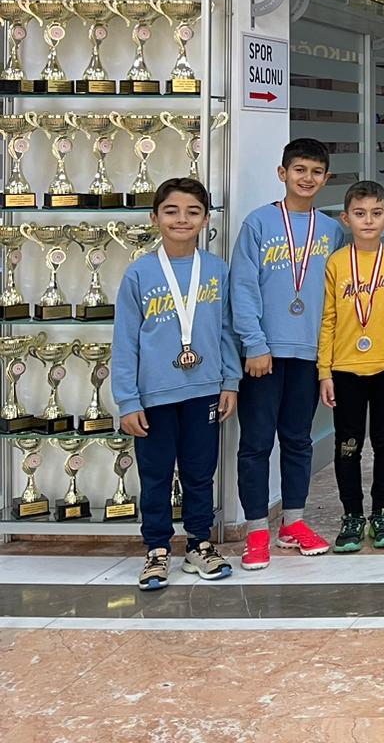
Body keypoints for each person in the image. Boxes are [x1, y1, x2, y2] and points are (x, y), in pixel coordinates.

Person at [112, 177, 239, 590]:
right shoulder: (139, 273)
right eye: (171, 211)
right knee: (156, 474)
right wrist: (128, 400)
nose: (181, 219)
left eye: (192, 211)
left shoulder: (216, 270)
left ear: (206, 219)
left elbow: (226, 330)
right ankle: (156, 549)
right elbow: (125, 340)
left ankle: (200, 543)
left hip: (204, 389)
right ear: (155, 218)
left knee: (201, 472)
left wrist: (230, 381)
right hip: (155, 395)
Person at [231, 138, 343, 570]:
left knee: (298, 440)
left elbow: (336, 298)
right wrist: (255, 344)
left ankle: (293, 522)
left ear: (326, 178)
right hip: (264, 355)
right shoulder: (258, 223)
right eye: (299, 169)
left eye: (316, 172)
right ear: (283, 173)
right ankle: (257, 529)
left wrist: (328, 358)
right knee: (257, 443)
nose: (307, 178)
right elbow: (243, 288)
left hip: (309, 354)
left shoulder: (330, 230)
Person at [318, 180, 384, 553]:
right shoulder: (337, 263)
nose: (368, 220)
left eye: (375, 213)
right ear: (346, 219)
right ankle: (352, 515)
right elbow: (327, 320)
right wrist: (324, 371)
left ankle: (382, 513)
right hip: (345, 371)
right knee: (348, 445)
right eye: (359, 214)